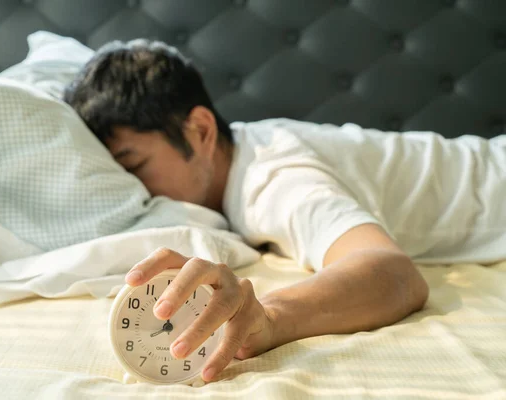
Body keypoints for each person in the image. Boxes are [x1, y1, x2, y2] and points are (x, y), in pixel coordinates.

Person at [64, 40, 506, 382]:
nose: (129, 190)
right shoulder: (243, 162)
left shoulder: (271, 178)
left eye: (134, 165)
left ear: (199, 131)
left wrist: (267, 317)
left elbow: (393, 273)